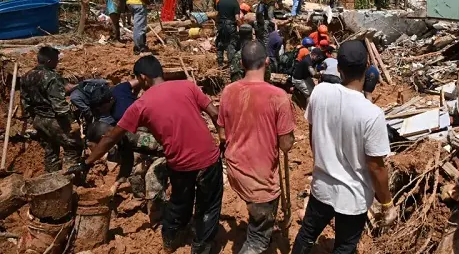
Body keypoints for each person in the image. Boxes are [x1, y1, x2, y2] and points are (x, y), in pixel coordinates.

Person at [67, 56, 224, 254]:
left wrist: (86, 163)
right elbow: (215, 113)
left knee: (179, 202)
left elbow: (109, 138)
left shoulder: (141, 105)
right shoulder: (188, 86)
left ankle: (170, 240)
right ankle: (201, 247)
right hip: (208, 158)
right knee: (208, 207)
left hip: (179, 163)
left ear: (143, 77)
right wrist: (222, 138)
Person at [292, 41, 396, 254]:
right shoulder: (372, 114)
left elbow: (313, 136)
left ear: (338, 68)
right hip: (353, 197)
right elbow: (376, 166)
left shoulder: (319, 93)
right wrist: (386, 203)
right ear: (367, 68)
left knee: (307, 234)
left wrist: (324, 162)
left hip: (322, 186)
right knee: (344, 247)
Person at [218, 41, 295, 254]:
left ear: (242, 63)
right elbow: (286, 145)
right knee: (257, 240)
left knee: (255, 212)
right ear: (268, 62)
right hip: (260, 180)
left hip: (235, 170)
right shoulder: (278, 96)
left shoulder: (228, 91)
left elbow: (222, 134)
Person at [21, 46, 83, 173]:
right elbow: (59, 104)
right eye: (56, 60)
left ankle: (51, 179)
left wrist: (33, 118)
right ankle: (70, 178)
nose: (57, 63)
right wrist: (72, 121)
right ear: (49, 61)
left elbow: (25, 102)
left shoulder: (27, 76)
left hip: (39, 120)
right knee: (73, 146)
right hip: (53, 119)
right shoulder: (51, 77)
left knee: (50, 150)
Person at [216, 0, 241, 66]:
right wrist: (240, 28)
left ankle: (220, 62)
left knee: (220, 42)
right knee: (231, 43)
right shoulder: (235, 3)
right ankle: (231, 63)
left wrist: (217, 25)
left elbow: (217, 15)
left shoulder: (221, 1)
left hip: (221, 24)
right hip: (230, 25)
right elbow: (237, 18)